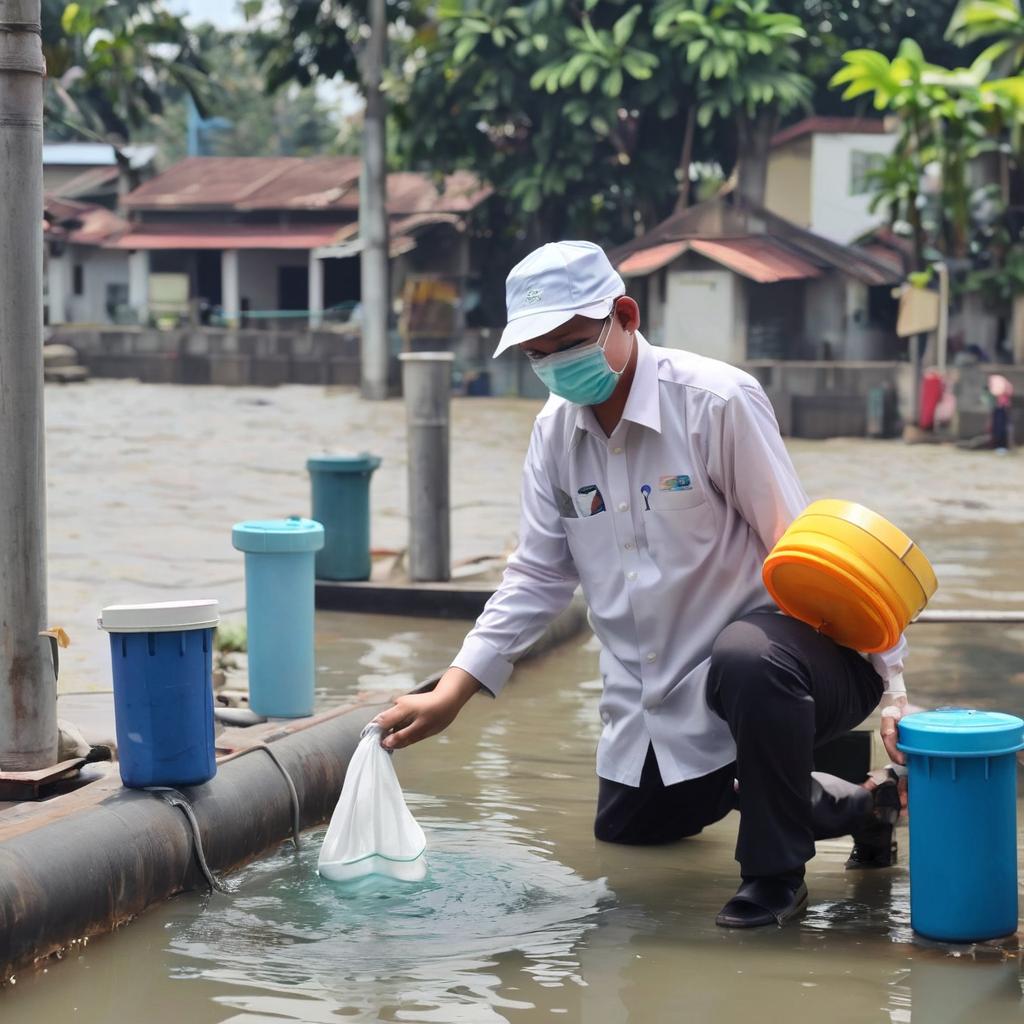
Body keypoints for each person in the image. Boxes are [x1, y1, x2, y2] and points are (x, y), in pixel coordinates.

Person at [374, 241, 909, 928]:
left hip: (786, 665)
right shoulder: (554, 437)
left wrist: (893, 687)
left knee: (745, 661)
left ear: (623, 315)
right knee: (631, 831)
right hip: (661, 690)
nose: (554, 367)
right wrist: (456, 686)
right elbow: (538, 573)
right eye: (537, 354)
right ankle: (866, 805)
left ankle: (775, 876)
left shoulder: (715, 401)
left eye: (567, 344)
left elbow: (805, 552)